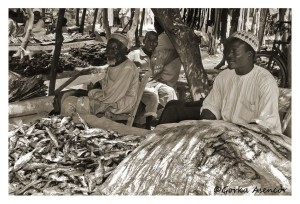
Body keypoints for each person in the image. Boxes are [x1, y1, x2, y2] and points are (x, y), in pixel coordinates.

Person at [159, 31, 282, 133]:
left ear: (249, 55)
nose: (228, 55)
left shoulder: (265, 81)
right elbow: (212, 106)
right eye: (227, 51)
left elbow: (266, 124)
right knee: (173, 109)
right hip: (224, 129)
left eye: (234, 51)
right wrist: (203, 126)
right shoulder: (224, 76)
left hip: (253, 137)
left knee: (174, 111)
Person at [60, 33, 139, 117]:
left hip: (117, 105)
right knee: (68, 97)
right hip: (109, 100)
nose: (109, 51)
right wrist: (97, 84)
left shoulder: (127, 68)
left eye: (114, 48)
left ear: (123, 51)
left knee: (69, 103)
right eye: (108, 47)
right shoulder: (115, 64)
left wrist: (89, 93)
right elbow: (106, 83)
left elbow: (111, 98)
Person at [127, 31, 159, 129]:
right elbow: (125, 70)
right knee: (153, 95)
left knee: (169, 91)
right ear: (144, 40)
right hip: (138, 84)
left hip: (153, 82)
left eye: (155, 41)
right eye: (149, 40)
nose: (152, 43)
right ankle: (148, 125)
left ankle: (163, 120)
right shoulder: (134, 54)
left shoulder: (157, 55)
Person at [148, 18, 181, 108]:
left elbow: (154, 73)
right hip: (171, 81)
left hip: (164, 84)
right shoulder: (173, 37)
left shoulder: (161, 40)